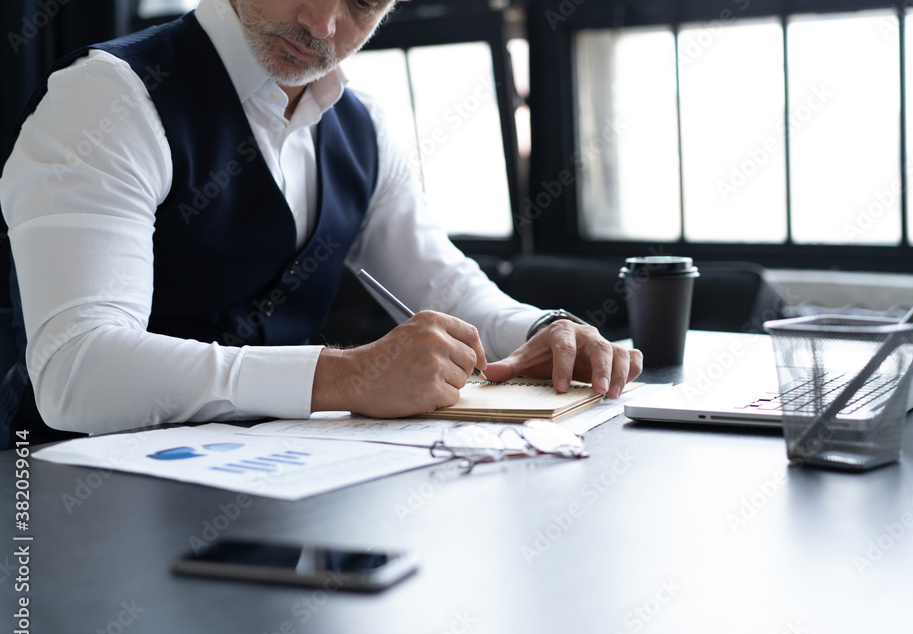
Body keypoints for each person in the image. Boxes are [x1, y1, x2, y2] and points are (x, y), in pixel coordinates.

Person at [0, 0, 642, 448]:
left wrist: (543, 329)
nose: (323, 23)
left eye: (362, 1)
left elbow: (442, 283)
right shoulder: (107, 99)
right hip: (71, 501)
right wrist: (345, 377)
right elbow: (73, 370)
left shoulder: (363, 129)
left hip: (282, 493)